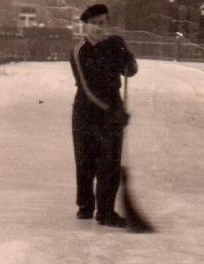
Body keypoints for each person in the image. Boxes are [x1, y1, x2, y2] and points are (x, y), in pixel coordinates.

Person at [69, 4, 138, 228]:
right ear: (85, 25)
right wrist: (112, 112)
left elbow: (130, 71)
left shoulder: (113, 45)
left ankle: (106, 212)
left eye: (102, 23)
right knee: (85, 161)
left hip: (112, 107)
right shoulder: (79, 51)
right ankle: (85, 206)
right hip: (86, 111)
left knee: (110, 163)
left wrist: (126, 54)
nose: (98, 27)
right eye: (94, 23)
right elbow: (86, 87)